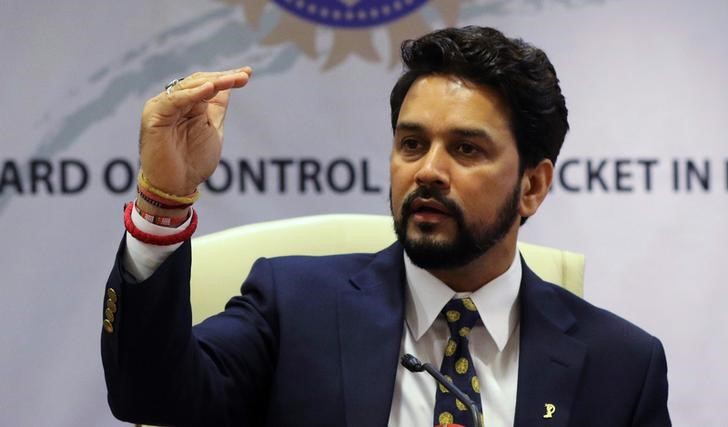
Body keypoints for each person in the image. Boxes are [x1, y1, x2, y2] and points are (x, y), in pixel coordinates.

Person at [101, 26, 671, 427]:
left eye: (467, 149)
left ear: (532, 186)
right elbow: (150, 394)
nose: (427, 171)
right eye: (412, 143)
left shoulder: (621, 365)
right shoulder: (294, 307)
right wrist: (163, 206)